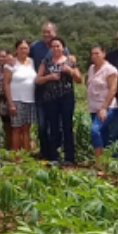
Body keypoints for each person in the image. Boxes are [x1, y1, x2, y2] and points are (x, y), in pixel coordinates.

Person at [35, 37, 82, 166]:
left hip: (66, 98)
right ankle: (54, 157)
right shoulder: (46, 62)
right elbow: (37, 80)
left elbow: (79, 79)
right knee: (53, 128)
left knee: (67, 127)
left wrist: (70, 71)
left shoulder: (70, 61)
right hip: (50, 99)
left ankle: (69, 157)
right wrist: (49, 77)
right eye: (53, 46)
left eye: (58, 46)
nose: (56, 48)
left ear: (63, 48)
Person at [30, 22, 69, 159]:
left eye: (49, 32)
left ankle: (57, 153)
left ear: (55, 32)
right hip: (40, 91)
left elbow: (70, 61)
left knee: (56, 125)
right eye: (44, 32)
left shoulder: (62, 48)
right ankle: (45, 153)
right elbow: (23, 56)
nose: (46, 34)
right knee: (41, 126)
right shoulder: (35, 47)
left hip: (58, 94)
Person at [4, 40, 37, 153]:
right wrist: (11, 103)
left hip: (30, 100)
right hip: (17, 100)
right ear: (16, 50)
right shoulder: (11, 64)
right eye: (21, 48)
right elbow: (6, 84)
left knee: (27, 128)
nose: (24, 50)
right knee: (16, 129)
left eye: (26, 48)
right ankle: (16, 155)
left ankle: (26, 155)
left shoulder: (32, 62)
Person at [86, 45, 118, 158]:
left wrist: (104, 108)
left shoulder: (110, 70)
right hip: (94, 107)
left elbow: (113, 89)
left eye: (97, 54)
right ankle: (107, 160)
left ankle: (99, 161)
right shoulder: (91, 68)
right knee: (103, 134)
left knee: (95, 130)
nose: (94, 56)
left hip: (106, 107)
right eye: (92, 54)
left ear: (104, 54)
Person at [0, 49, 13, 148]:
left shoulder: (11, 68)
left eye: (4, 56)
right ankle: (6, 147)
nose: (2, 58)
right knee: (4, 125)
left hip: (9, 98)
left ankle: (12, 147)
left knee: (12, 126)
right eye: (0, 56)